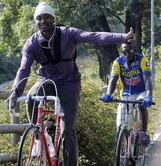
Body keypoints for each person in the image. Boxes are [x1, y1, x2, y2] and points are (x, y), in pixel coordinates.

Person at [6, 2, 135, 166]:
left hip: (69, 83)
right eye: (39, 18)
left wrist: (122, 37)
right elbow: (23, 69)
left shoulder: (68, 34)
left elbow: (95, 36)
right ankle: (38, 133)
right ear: (35, 22)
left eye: (47, 17)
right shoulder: (31, 43)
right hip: (45, 80)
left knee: (68, 130)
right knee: (32, 95)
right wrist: (15, 92)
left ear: (53, 19)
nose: (43, 21)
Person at [101, 43, 153, 147]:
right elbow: (113, 79)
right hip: (126, 93)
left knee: (140, 104)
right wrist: (108, 94)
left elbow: (147, 79)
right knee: (120, 126)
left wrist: (149, 96)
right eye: (124, 52)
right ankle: (121, 152)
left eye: (129, 51)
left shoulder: (142, 60)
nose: (127, 54)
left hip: (141, 91)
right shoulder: (118, 62)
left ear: (134, 49)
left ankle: (143, 133)